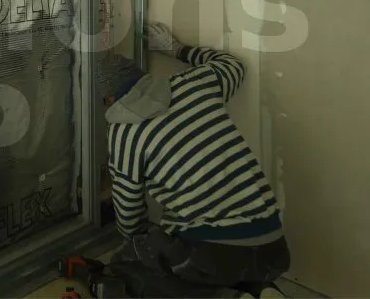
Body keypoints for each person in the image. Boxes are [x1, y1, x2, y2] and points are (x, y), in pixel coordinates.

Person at [96, 23, 290, 298]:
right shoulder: (195, 83)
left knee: (125, 268)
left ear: (109, 99)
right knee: (212, 261)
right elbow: (234, 65)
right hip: (273, 245)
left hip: (212, 253)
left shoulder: (124, 135)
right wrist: (176, 49)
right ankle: (260, 290)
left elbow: (129, 215)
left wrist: (142, 247)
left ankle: (230, 297)